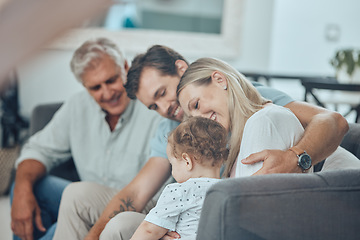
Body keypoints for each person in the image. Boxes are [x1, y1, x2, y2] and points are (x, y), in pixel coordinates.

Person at [58, 45, 349, 240]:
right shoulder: (170, 127)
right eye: (153, 106)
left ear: (183, 71)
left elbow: (331, 120)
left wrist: (296, 155)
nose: (165, 109)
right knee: (75, 195)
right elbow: (137, 192)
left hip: (216, 211)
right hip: (180, 206)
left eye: (162, 94)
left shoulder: (250, 101)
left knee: (120, 227)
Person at [10, 38, 162, 240]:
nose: (107, 93)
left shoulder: (154, 106)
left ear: (125, 67)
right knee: (26, 185)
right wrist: (21, 189)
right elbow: (39, 149)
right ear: (84, 86)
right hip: (85, 204)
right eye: (95, 87)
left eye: (111, 80)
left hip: (134, 209)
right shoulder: (77, 106)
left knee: (63, 223)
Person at [177, 57, 360, 178]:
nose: (198, 118)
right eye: (192, 117)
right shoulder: (237, 143)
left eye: (196, 105)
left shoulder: (265, 120)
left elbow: (335, 120)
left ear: (219, 80)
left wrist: (295, 158)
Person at [131, 116, 227, 240]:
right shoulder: (230, 191)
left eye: (173, 164)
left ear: (187, 161)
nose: (172, 171)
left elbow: (149, 230)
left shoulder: (179, 191)